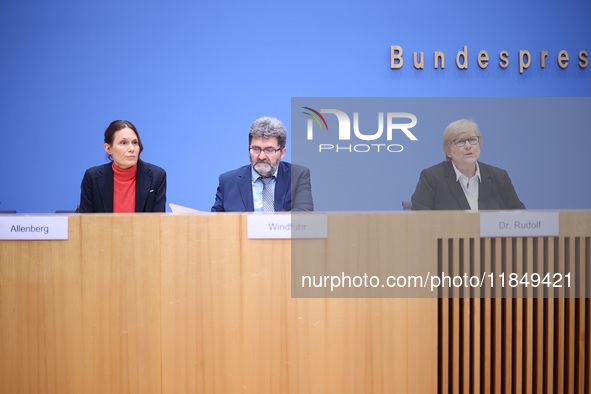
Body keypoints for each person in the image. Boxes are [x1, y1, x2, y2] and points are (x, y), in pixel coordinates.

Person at [411, 118, 525, 210]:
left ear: (479, 144)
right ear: (448, 151)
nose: (468, 146)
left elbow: (520, 217)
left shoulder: (499, 177)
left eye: (472, 139)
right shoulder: (432, 178)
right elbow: (419, 221)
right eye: (460, 141)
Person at [211, 116, 314, 212]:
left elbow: (304, 217)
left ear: (282, 153)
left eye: (269, 150)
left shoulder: (298, 176)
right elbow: (215, 223)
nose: (261, 156)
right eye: (256, 149)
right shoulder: (228, 181)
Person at [78, 120, 167, 213]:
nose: (132, 149)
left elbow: (157, 223)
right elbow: (86, 223)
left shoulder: (157, 176)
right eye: (123, 143)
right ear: (108, 148)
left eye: (135, 142)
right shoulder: (92, 177)